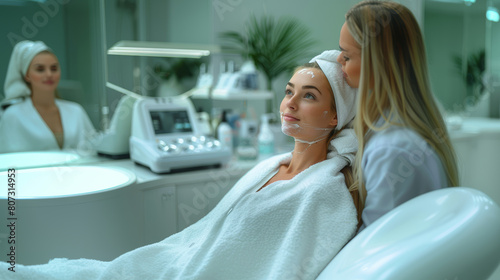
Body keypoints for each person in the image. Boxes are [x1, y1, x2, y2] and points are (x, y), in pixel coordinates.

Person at [0, 50, 358, 279]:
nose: (290, 104)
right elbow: (202, 237)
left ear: (333, 117)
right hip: (172, 264)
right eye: (289, 91)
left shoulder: (323, 191)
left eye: (308, 96)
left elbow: (287, 265)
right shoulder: (267, 167)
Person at [336, 0, 460, 231]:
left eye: (346, 55)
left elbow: (375, 246)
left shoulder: (391, 150)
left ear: (377, 65)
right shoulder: (397, 132)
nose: (338, 61)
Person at [0, 40, 95, 153]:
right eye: (40, 69)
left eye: (54, 69)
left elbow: (94, 151)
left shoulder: (76, 111)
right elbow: (8, 165)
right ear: (27, 76)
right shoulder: (13, 116)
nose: (49, 74)